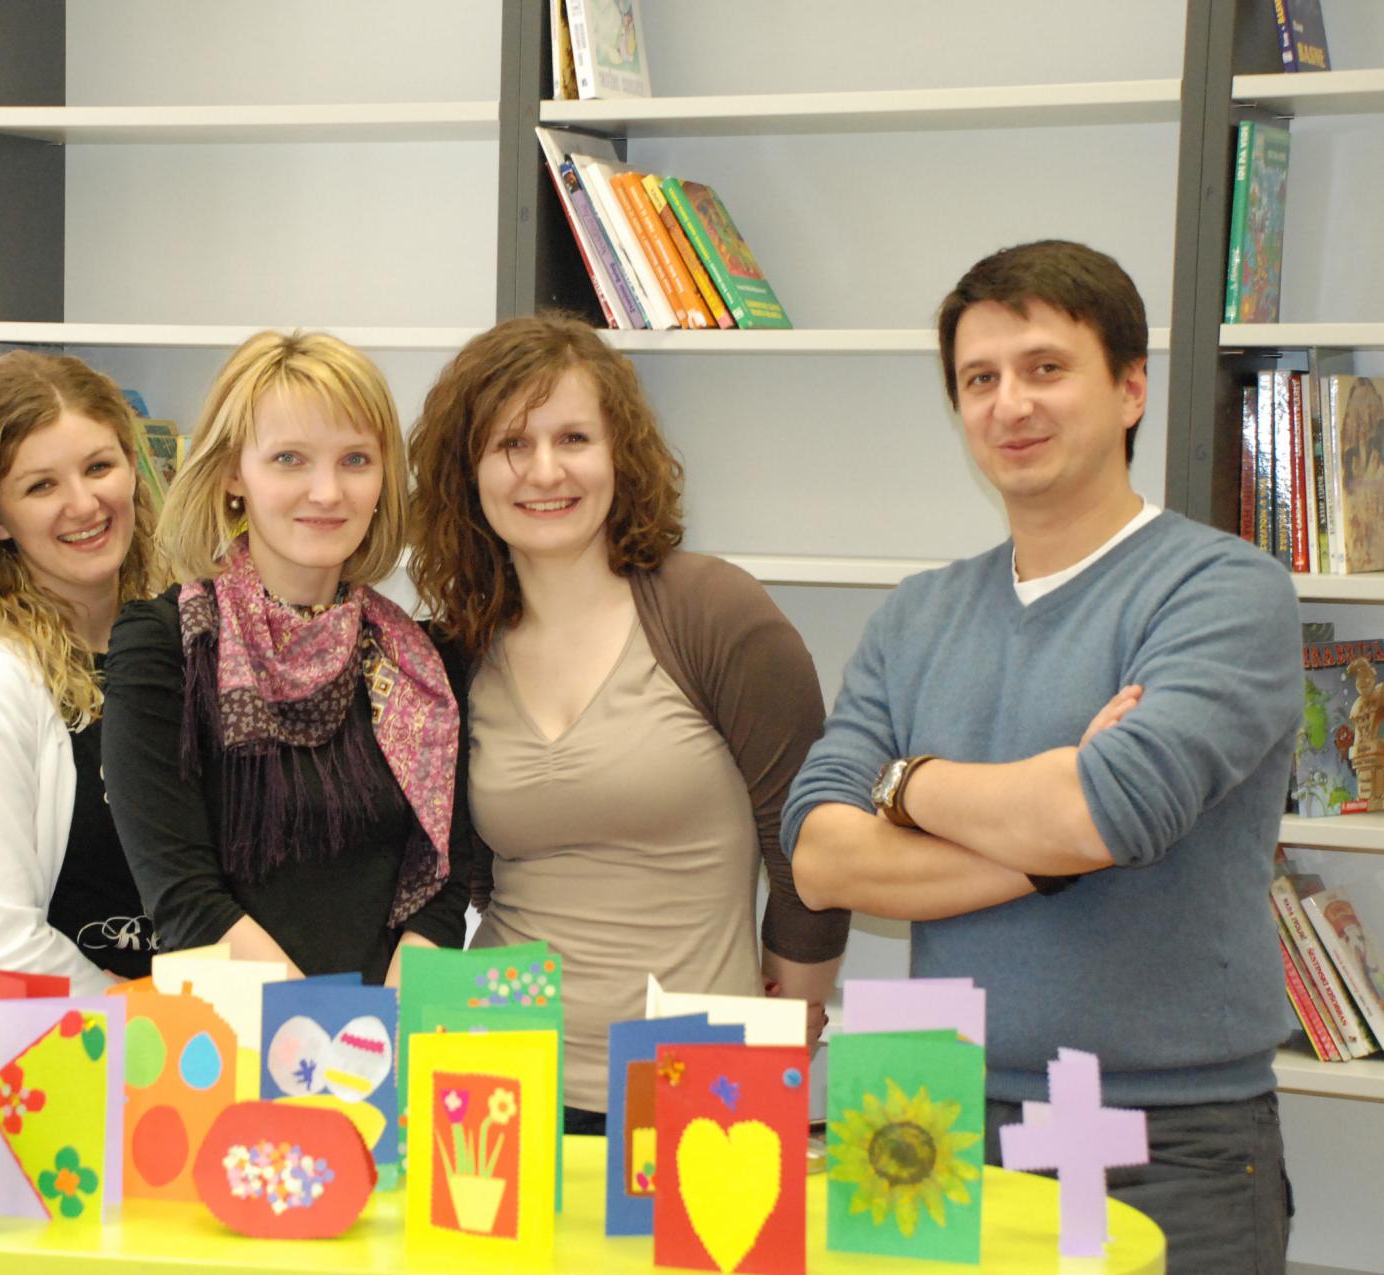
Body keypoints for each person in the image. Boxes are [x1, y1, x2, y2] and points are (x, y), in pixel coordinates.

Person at [781, 240, 1299, 1272]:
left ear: (1131, 387)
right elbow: (821, 856)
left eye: (1045, 368)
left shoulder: (1224, 590)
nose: (1009, 404)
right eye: (979, 379)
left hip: (1164, 1142)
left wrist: (908, 785)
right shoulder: (917, 614)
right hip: (927, 1122)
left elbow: (1106, 810)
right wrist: (1059, 844)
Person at [407, 312, 849, 1132]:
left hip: (697, 1082)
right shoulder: (456, 651)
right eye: (511, 443)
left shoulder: (715, 612)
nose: (545, 470)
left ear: (620, 453)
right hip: (494, 1077)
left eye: (574, 437)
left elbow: (809, 850)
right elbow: (474, 876)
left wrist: (793, 1018)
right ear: (468, 472)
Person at [103, 330, 471, 985]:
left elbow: (443, 882)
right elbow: (183, 898)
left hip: (396, 1027)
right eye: (289, 459)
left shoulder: (422, 662)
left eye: (355, 459)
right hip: (228, 1033)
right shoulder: (163, 645)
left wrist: (385, 1025)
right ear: (232, 475)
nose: (327, 491)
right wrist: (322, 1030)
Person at [0, 351, 162, 995]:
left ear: (132, 469)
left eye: (99, 467)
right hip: (69, 1037)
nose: (84, 504)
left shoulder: (178, 635)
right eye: (41, 486)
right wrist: (136, 1019)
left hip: (203, 1026)